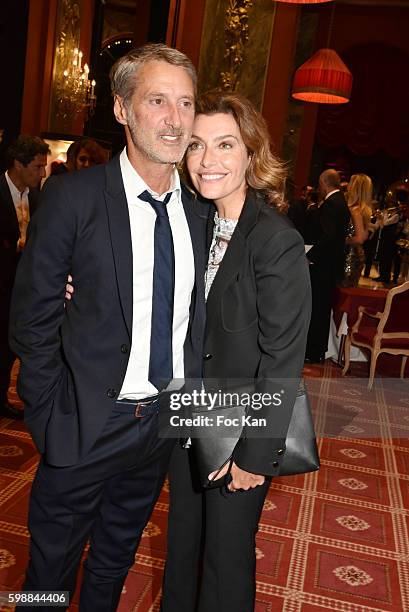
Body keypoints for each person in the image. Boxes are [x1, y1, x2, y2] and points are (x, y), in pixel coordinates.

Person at [9, 43, 207, 611]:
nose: (174, 119)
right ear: (123, 110)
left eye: (186, 102)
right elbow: (32, 318)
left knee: (114, 562)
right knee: (49, 575)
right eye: (158, 101)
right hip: (82, 423)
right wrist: (48, 414)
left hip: (157, 430)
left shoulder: (201, 213)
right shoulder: (73, 198)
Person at [161, 91, 311, 612]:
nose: (208, 160)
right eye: (197, 145)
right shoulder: (194, 223)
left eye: (225, 145)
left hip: (242, 425)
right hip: (188, 412)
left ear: (251, 153)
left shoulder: (276, 240)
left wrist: (253, 455)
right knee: (182, 547)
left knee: (225, 560)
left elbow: (284, 359)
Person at [0, 135, 49, 419]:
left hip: (26, 286)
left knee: (13, 346)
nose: (42, 173)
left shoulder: (39, 195)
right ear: (18, 164)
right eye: (37, 167)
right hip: (2, 282)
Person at [304, 169, 350, 363]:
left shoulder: (332, 204)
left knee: (318, 308)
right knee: (322, 308)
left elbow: (328, 235)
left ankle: (314, 352)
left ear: (323, 182)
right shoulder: (341, 201)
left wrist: (310, 256)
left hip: (323, 265)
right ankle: (317, 351)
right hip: (331, 264)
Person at [341, 173, 373, 287]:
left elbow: (359, 239)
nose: (348, 185)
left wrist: (340, 239)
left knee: (343, 293)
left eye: (350, 182)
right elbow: (364, 236)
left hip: (349, 258)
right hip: (355, 256)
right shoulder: (363, 209)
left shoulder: (356, 210)